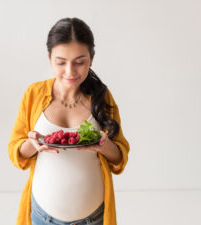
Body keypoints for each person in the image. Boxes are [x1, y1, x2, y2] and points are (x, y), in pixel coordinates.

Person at [8, 17, 130, 225]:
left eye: (79, 62)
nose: (70, 71)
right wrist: (32, 144)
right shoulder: (34, 94)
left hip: (94, 218)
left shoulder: (102, 97)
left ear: (91, 58)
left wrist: (104, 146)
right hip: (41, 217)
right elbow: (15, 153)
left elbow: (119, 160)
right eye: (61, 62)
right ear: (49, 58)